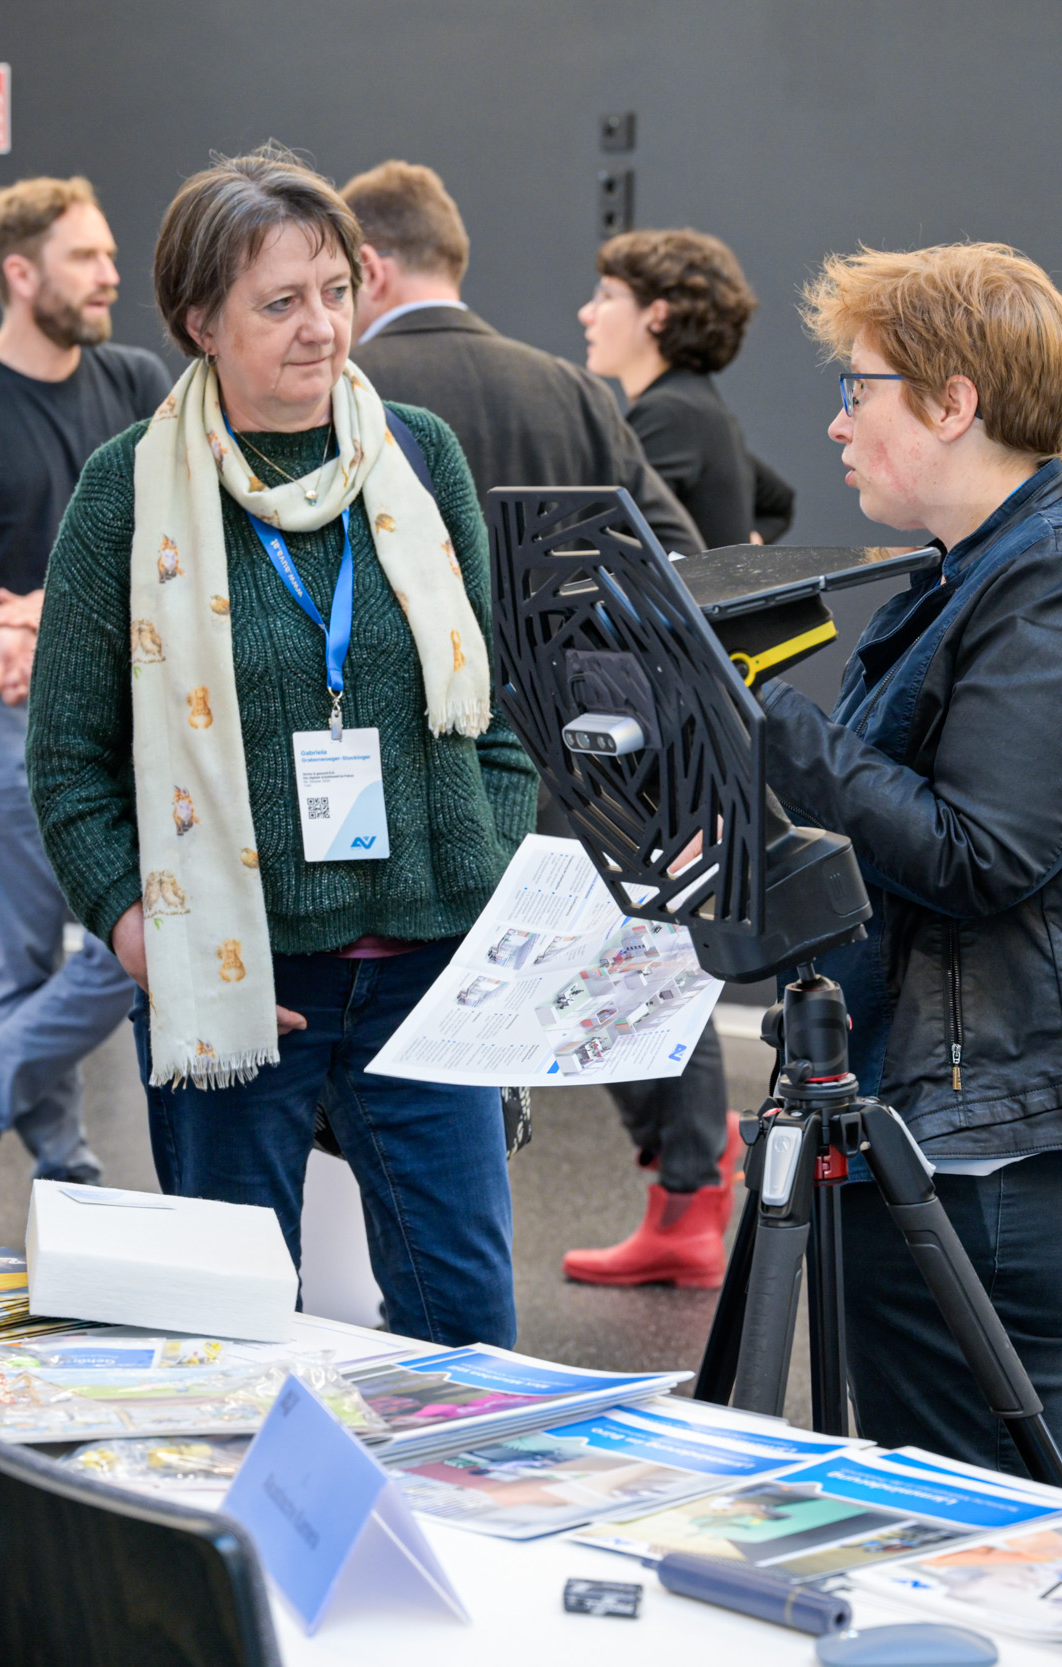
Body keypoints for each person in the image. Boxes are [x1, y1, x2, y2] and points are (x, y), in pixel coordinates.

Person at [28, 146, 538, 1347]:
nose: (321, 329)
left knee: (466, 1329)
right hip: (237, 975)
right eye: (279, 302)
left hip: (427, 969)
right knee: (231, 1339)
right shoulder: (127, 494)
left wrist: (486, 857)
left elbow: (494, 700)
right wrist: (142, 931)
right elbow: (68, 760)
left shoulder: (416, 455)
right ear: (200, 321)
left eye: (334, 291)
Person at [759, 243, 1062, 1488]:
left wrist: (778, 732)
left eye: (857, 388)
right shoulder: (987, 571)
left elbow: (981, 855)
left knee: (982, 1520)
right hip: (973, 1104)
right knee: (952, 1498)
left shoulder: (1055, 586)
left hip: (1009, 1132)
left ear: (953, 399)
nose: (835, 420)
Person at [336, 163, 744, 1289]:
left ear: (366, 267)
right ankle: (688, 1190)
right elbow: (671, 561)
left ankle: (402, 1243)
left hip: (405, 764)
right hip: (573, 743)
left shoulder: (342, 389)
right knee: (623, 952)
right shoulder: (564, 389)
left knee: (412, 993)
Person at [0, 177, 176, 1247]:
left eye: (108, 256)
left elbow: (163, 539)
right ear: (20, 273)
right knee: (20, 967)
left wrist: (40, 617)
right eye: (87, 258)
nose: (111, 276)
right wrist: (7, 630)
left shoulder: (136, 380)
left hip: (122, 706)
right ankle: (70, 1176)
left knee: (134, 935)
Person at [339, 160, 703, 558]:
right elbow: (681, 555)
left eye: (338, 283)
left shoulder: (345, 388)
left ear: (370, 271)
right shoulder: (576, 392)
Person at [581, 228, 796, 549]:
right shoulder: (693, 407)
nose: (586, 314)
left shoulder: (671, 414)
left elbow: (599, 542)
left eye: (607, 296)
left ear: (657, 315)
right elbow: (778, 502)